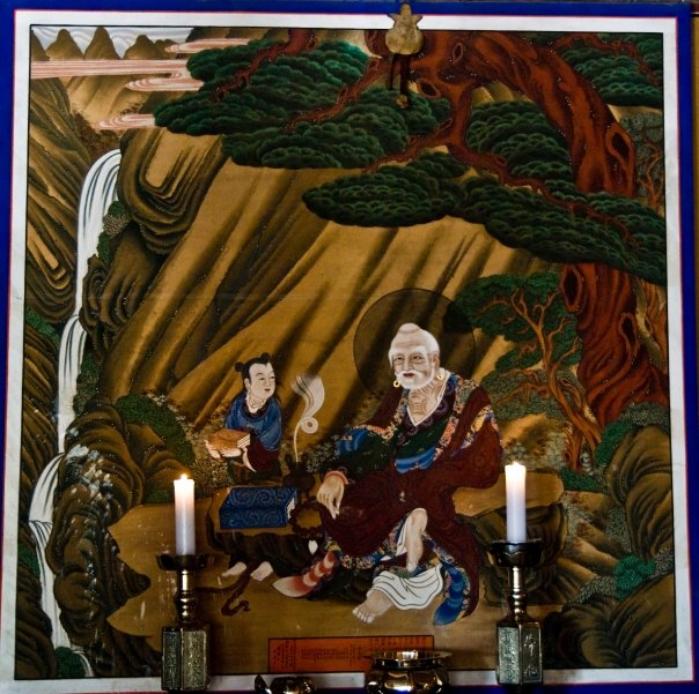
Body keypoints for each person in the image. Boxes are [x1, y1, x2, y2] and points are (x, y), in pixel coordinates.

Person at [274, 323, 502, 625]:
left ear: (434, 360)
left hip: (441, 477)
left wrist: (429, 486)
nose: (407, 367)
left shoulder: (470, 397)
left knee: (427, 502)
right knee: (343, 501)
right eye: (399, 360)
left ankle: (436, 579)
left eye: (416, 358)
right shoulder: (402, 391)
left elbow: (485, 461)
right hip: (394, 477)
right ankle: (329, 562)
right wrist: (338, 475)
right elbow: (378, 436)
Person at [206, 353, 282, 475]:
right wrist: (222, 444)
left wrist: (245, 444)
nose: (268, 383)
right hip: (238, 448)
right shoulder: (239, 403)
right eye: (261, 379)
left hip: (262, 455)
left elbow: (270, 440)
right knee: (216, 441)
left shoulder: (273, 407)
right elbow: (229, 429)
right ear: (247, 383)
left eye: (271, 378)